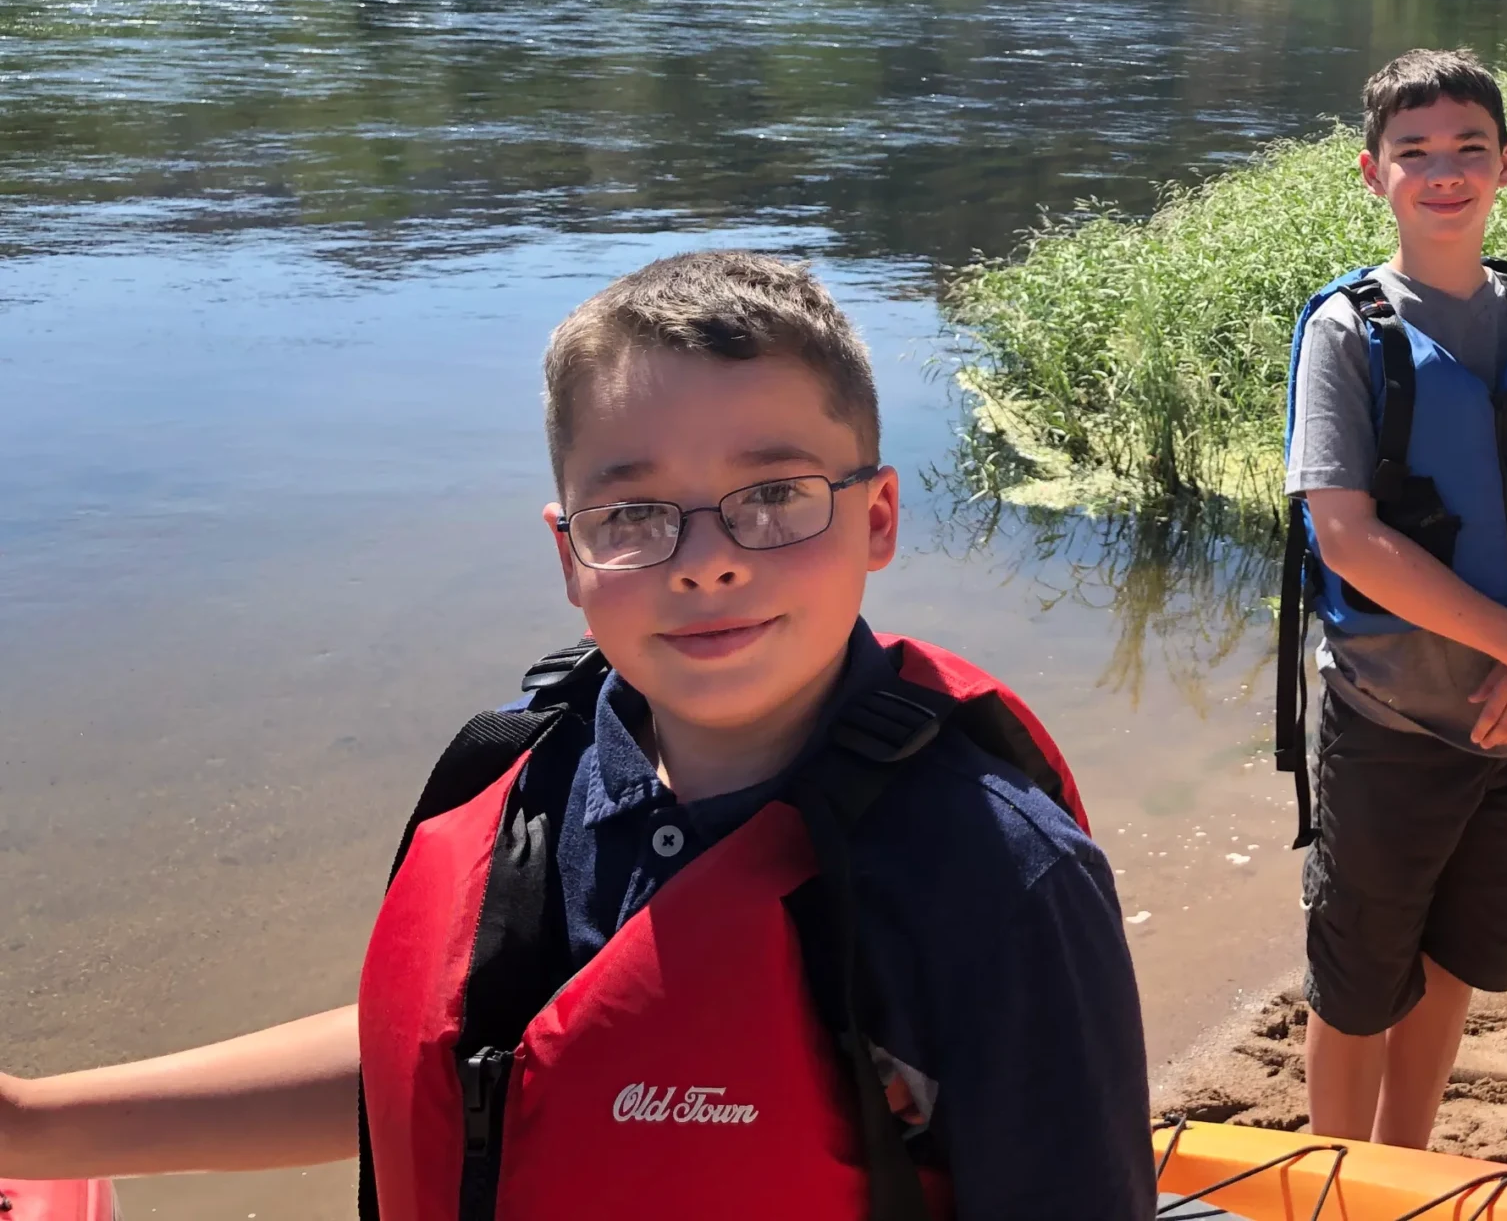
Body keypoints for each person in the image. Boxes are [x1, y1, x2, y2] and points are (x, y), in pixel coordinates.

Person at [0, 250, 1154, 1220]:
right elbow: (458, 1062)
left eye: (776, 495)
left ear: (880, 518)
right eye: (633, 514)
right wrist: (29, 1124)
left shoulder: (997, 876)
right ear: (569, 556)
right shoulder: (517, 784)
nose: (708, 556)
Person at [1277, 49, 1507, 1149]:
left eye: (1467, 151)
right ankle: (1338, 1191)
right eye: (1414, 153)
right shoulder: (1348, 332)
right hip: (1392, 719)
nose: (1444, 172)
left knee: (1452, 963)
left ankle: (1407, 1163)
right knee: (1356, 983)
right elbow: (1342, 531)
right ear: (1369, 172)